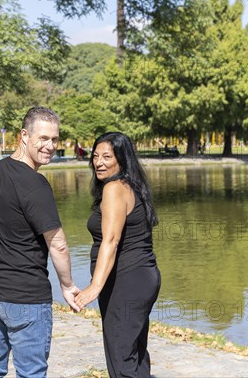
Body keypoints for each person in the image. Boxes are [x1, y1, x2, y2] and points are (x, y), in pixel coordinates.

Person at [0, 106, 80, 377]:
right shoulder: (36, 185)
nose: (50, 146)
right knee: (31, 373)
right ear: (24, 136)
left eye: (55, 139)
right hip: (25, 299)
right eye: (43, 138)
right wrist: (68, 285)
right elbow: (58, 243)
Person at [75, 132, 161, 378]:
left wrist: (94, 287)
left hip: (127, 282)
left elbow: (111, 241)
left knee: (121, 359)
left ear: (121, 160)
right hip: (141, 279)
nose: (99, 162)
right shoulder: (130, 186)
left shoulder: (114, 188)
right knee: (134, 353)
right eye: (95, 156)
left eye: (106, 157)